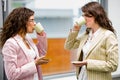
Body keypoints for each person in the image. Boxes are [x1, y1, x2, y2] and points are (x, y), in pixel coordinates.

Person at [64, 2, 118, 80]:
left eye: (86, 15)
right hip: (82, 77)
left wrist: (87, 63)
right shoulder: (86, 35)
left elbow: (113, 65)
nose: (83, 18)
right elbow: (68, 46)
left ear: (96, 16)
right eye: (83, 15)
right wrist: (75, 30)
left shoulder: (108, 35)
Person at [0, 7, 49, 80]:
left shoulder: (27, 38)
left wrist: (41, 35)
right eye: (32, 20)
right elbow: (12, 75)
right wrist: (34, 63)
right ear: (22, 22)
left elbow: (41, 53)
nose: (35, 23)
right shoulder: (10, 44)